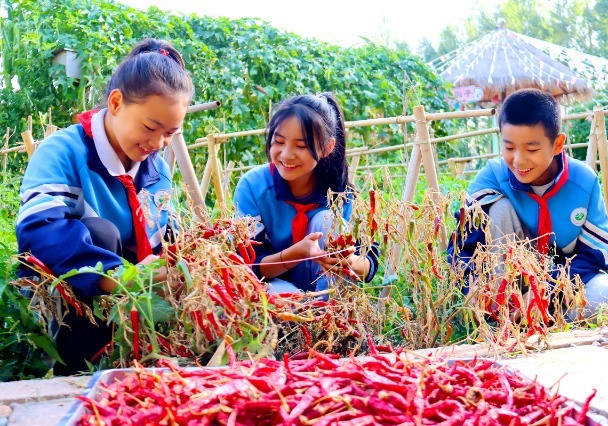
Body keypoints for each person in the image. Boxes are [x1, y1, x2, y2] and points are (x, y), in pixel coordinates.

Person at [16, 38, 194, 374]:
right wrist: (117, 276)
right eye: (150, 127)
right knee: (100, 232)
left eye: (170, 133)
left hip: (128, 299)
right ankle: (75, 366)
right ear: (115, 102)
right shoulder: (64, 151)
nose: (158, 143)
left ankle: (134, 351)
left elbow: (159, 234)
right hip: (70, 301)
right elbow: (39, 230)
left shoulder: (156, 170)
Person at [448, 88, 608, 320]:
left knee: (606, 297)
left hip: (561, 283)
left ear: (558, 144)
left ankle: (541, 318)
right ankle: (502, 319)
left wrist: (545, 293)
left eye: (531, 149)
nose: (518, 160)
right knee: (499, 210)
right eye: (509, 148)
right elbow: (463, 247)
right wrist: (475, 291)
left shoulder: (583, 181)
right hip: (508, 284)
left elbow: (592, 256)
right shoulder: (492, 177)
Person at [233, 93, 380, 295]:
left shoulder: (339, 193)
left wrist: (349, 261)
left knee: (327, 220)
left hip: (326, 291)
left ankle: (331, 312)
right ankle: (305, 311)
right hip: (274, 288)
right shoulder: (253, 187)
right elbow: (247, 264)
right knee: (287, 300)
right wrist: (297, 254)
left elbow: (369, 260)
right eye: (279, 141)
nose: (286, 154)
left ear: (327, 148)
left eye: (301, 146)